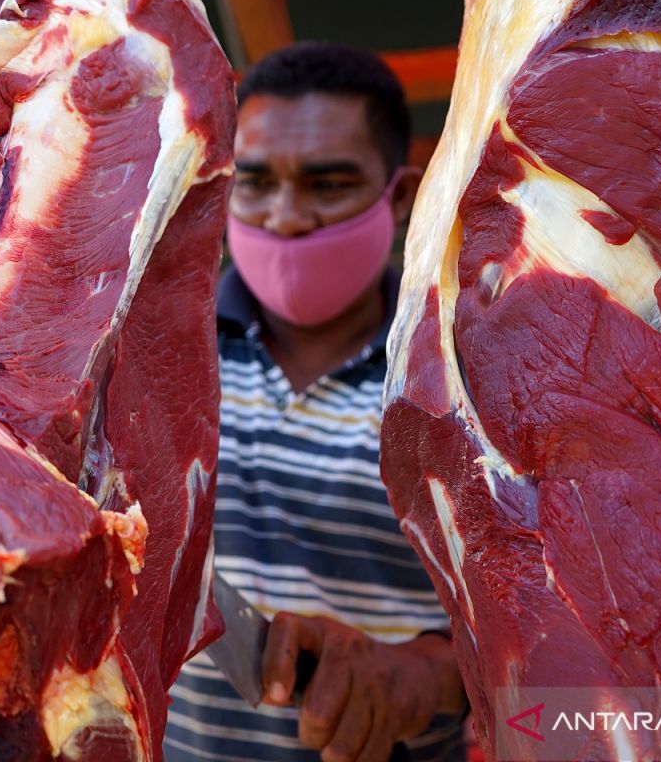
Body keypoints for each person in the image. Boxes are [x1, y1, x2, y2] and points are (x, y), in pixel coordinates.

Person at [164, 42, 466, 762]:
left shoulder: (462, 375)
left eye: (328, 183)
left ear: (398, 197)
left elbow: (545, 623)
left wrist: (424, 675)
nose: (287, 217)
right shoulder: (160, 350)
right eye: (256, 183)